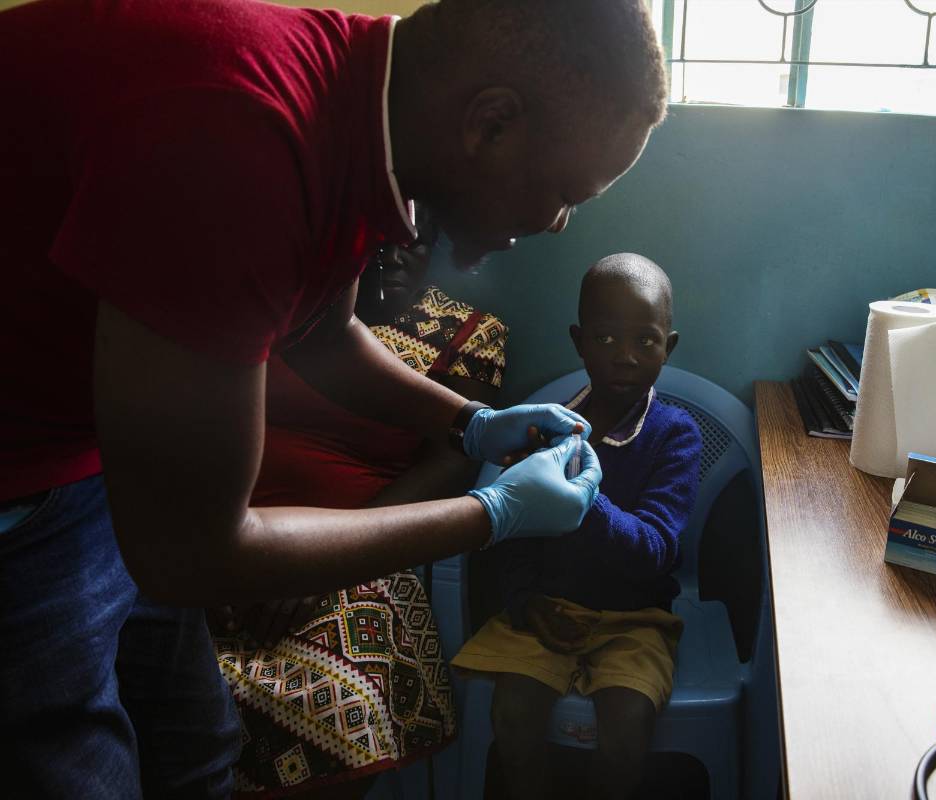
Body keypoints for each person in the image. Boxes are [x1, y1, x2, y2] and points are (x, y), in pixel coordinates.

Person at [0, 0, 667, 796]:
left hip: (85, 450)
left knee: (191, 741)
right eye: (565, 192)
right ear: (491, 125)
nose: (559, 224)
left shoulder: (357, 114)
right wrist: (491, 516)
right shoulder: (239, 142)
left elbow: (321, 334)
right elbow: (191, 555)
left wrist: (472, 424)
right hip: (20, 479)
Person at [215, 225, 508, 799]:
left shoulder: (470, 332)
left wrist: (328, 559)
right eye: (376, 240)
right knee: (168, 684)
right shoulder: (288, 314)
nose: (393, 254)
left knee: (329, 702)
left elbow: (452, 463)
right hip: (229, 531)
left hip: (362, 549)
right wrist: (218, 548)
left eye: (414, 242)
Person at [451, 254, 702, 800]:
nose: (627, 357)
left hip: (637, 618)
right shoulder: (549, 425)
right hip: (549, 607)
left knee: (627, 727)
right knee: (513, 716)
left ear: (669, 346)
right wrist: (523, 601)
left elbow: (656, 550)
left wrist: (578, 503)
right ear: (579, 341)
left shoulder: (675, 435)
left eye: (646, 341)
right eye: (606, 339)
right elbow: (512, 534)